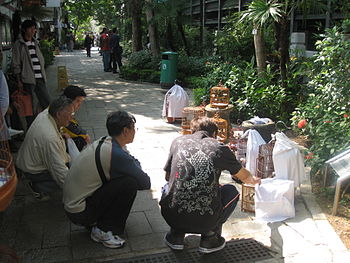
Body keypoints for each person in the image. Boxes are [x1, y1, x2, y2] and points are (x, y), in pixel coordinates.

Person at [160, 117, 261, 254]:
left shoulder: (177, 142)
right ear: (214, 134)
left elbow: (167, 176)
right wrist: (257, 181)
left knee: (167, 187)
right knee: (232, 191)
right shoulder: (219, 148)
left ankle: (176, 235)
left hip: (171, 215)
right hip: (205, 219)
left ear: (192, 130)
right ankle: (210, 237)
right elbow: (245, 177)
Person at [63, 111, 151, 249]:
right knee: (129, 183)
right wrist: (134, 165)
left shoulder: (105, 141)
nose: (135, 131)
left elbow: (130, 160)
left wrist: (132, 164)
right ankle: (103, 230)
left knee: (123, 178)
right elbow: (145, 182)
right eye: (134, 128)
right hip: (80, 212)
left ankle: (97, 222)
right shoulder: (116, 154)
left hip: (72, 206)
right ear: (125, 131)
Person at [16, 97, 74, 200]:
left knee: (71, 166)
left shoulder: (46, 113)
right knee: (72, 177)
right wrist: (76, 191)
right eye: (69, 114)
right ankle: (38, 186)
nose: (71, 118)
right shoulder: (50, 138)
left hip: (28, 159)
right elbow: (59, 171)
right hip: (32, 169)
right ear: (58, 114)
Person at [12, 20, 51, 122]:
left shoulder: (35, 42)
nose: (34, 30)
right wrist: (19, 80)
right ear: (25, 29)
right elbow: (16, 63)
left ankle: (47, 121)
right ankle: (32, 126)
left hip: (40, 77)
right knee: (31, 105)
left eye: (34, 28)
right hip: (28, 79)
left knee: (46, 101)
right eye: (31, 28)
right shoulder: (19, 44)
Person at [61, 85, 90, 151]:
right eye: (77, 101)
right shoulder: (63, 113)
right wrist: (85, 135)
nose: (79, 105)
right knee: (82, 141)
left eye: (81, 102)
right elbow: (72, 127)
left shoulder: (61, 107)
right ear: (68, 100)